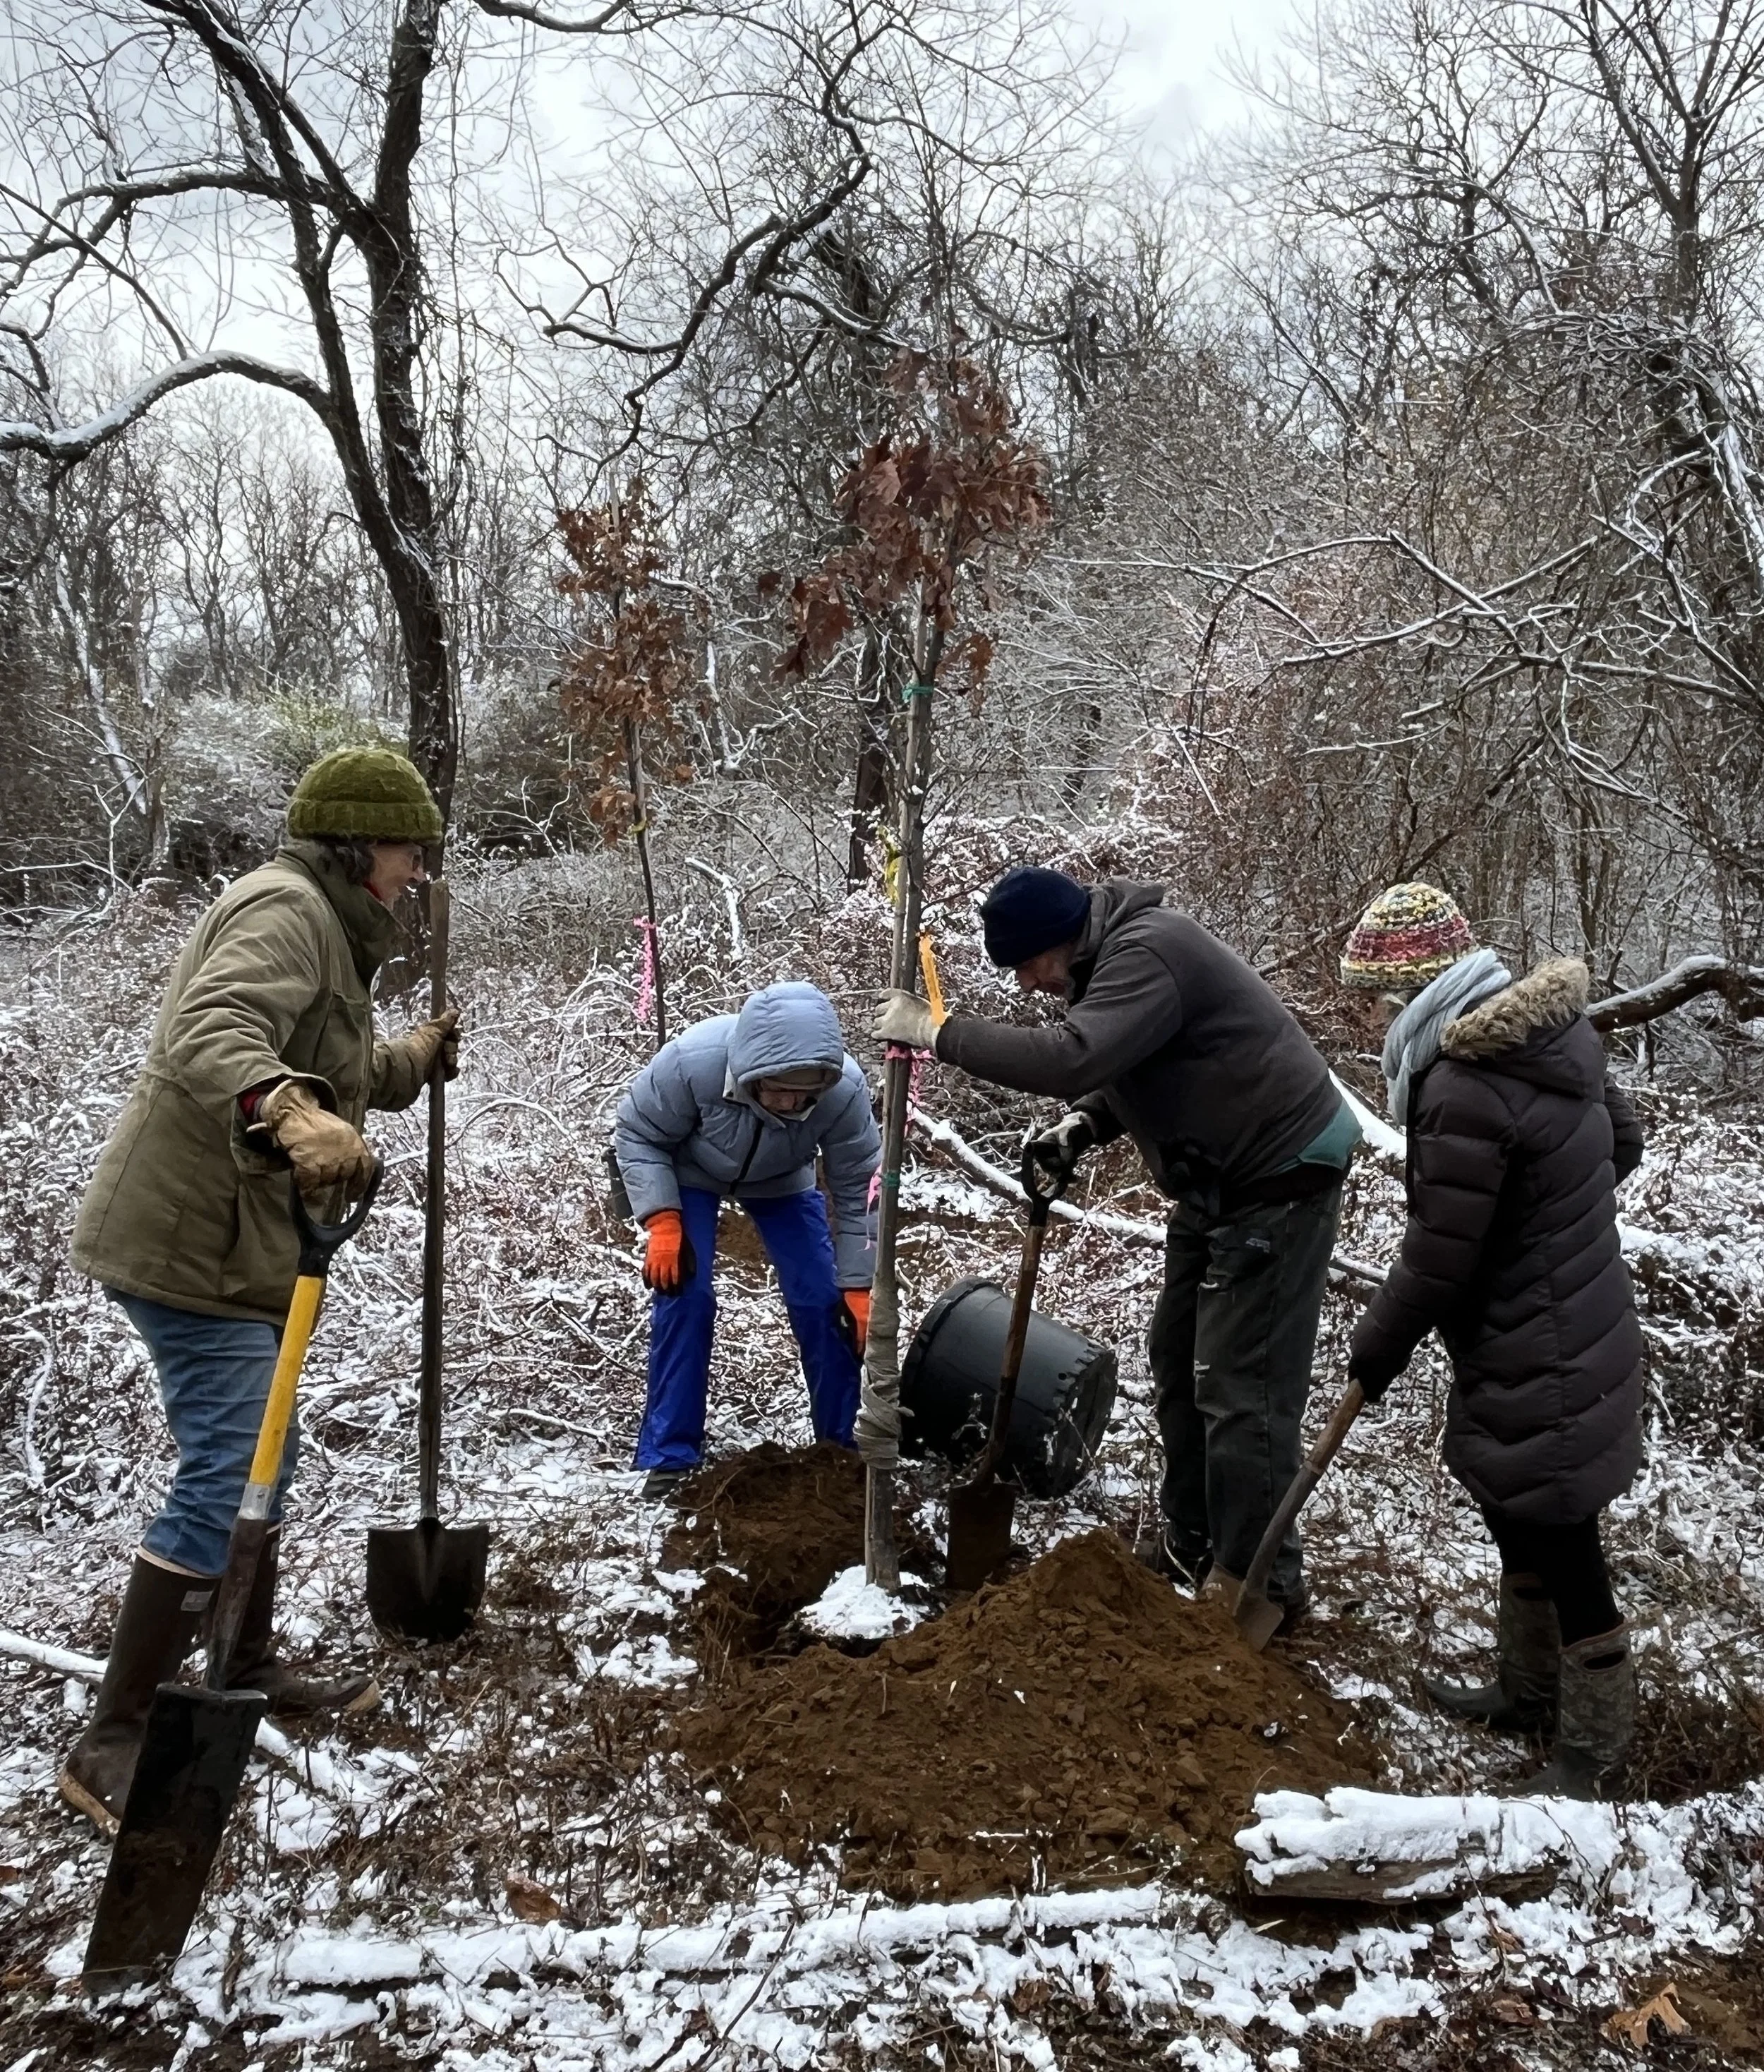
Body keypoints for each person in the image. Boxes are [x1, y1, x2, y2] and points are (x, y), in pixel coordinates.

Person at [60, 747, 460, 1836]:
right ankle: (114, 1735)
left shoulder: (333, 929)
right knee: (234, 1464)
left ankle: (241, 1663)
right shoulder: (285, 910)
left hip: (243, 1246)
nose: (415, 871)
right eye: (406, 850)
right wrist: (285, 1110)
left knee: (262, 1452)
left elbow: (339, 1070)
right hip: (189, 1241)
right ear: (357, 846)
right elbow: (213, 1030)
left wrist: (412, 1056)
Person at [873, 866, 1358, 1624]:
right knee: (1178, 1363)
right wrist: (1087, 1122)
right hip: (1215, 1181)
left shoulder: (1149, 951)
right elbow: (1140, 1060)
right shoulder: (1107, 961)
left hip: (1279, 1174)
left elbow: (1074, 1057)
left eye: (1028, 964)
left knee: (1241, 1388)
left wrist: (941, 1034)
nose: (1029, 983)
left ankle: (1259, 1585)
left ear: (1058, 939)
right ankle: (1192, 1543)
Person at [1339, 882, 1644, 1800]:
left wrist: (1376, 1346)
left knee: (1562, 1531)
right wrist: (1554, 1229)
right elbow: (1622, 1141)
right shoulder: (1551, 1036)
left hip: (1542, 1336)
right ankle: (1526, 1690)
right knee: (1517, 1502)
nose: (1370, 1018)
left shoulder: (1460, 1081)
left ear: (1416, 991)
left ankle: (1593, 1750)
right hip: (1557, 1315)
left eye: (1374, 999)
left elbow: (1440, 1254)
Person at [614, 982, 880, 1498]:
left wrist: (859, 1284)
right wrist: (663, 1220)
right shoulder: (693, 1061)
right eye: (779, 1091)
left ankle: (841, 1449)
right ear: (750, 1074)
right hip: (692, 1173)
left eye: (804, 1096)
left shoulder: (843, 1092)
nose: (791, 1104)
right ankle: (670, 1456)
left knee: (826, 1303)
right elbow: (638, 1132)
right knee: (685, 1294)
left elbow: (859, 1192)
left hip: (783, 1180)